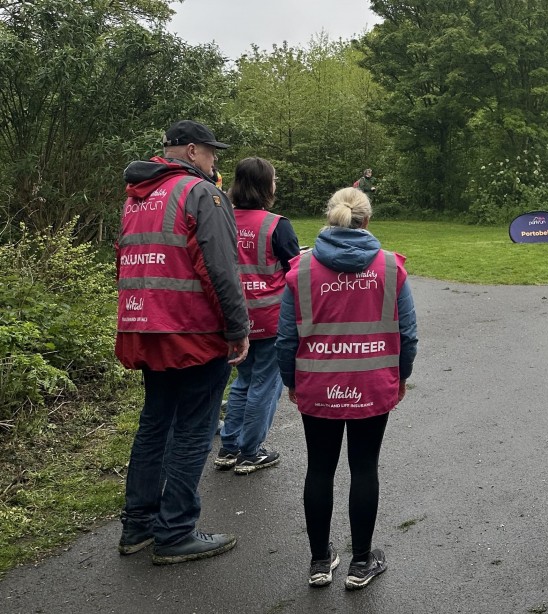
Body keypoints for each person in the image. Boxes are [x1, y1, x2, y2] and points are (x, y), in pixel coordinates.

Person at [116, 120, 249, 564]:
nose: (215, 162)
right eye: (212, 153)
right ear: (192, 151)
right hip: (191, 330)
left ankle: (138, 525)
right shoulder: (201, 194)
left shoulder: (139, 197)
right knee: (194, 428)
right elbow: (220, 269)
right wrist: (238, 328)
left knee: (155, 423)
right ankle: (175, 532)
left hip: (145, 326)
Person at [277, 187, 417, 589]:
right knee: (364, 468)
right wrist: (401, 376)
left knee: (319, 468)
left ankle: (320, 561)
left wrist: (292, 381)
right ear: (367, 221)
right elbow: (407, 333)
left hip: (317, 386)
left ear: (329, 218)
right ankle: (360, 563)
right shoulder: (390, 267)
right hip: (372, 384)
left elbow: (287, 338)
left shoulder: (301, 269)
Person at [215, 158, 300, 474]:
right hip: (270, 318)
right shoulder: (277, 224)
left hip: (234, 317)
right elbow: (296, 273)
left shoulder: (221, 220)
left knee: (243, 382)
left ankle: (229, 447)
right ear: (266, 186)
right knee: (265, 385)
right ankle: (250, 451)